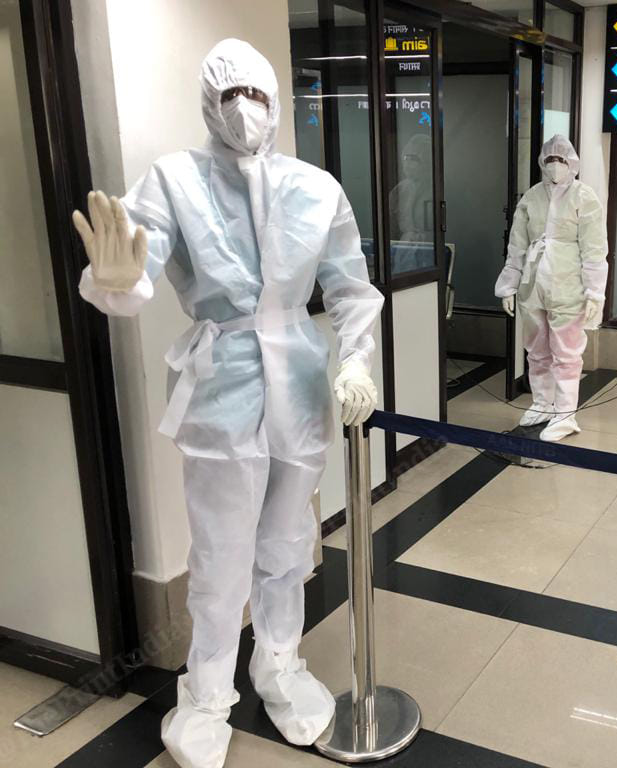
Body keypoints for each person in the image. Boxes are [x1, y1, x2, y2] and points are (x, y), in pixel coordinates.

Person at [71, 39, 384, 768]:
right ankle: (206, 693)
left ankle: (278, 663)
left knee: (285, 545)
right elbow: (134, 267)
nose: (245, 109)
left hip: (301, 389)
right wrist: (115, 283)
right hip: (223, 385)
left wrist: (359, 361)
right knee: (218, 557)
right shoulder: (173, 181)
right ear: (208, 104)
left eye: (258, 95)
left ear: (277, 101)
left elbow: (349, 286)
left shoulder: (315, 186)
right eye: (229, 94)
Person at [494, 135, 608, 442]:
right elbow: (517, 245)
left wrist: (595, 292)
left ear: (572, 163)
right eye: (550, 160)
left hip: (569, 285)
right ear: (542, 162)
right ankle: (543, 403)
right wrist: (508, 285)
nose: (555, 166)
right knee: (536, 348)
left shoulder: (584, 197)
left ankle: (566, 413)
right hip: (533, 285)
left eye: (561, 160)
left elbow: (595, 250)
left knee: (567, 352)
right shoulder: (531, 197)